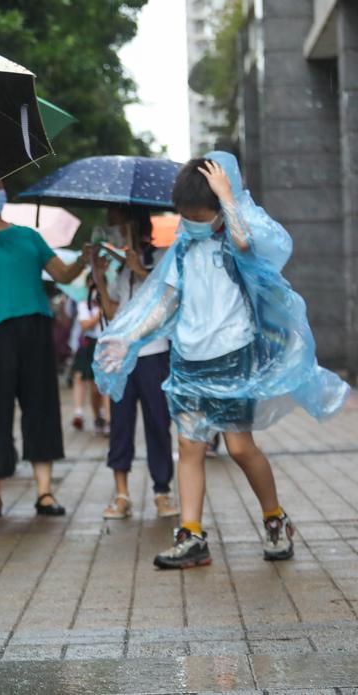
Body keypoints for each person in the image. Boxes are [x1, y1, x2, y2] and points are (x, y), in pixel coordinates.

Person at [96, 152, 350, 569]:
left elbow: (250, 241)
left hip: (233, 360)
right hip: (189, 363)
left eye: (199, 215)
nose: (191, 223)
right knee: (189, 446)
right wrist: (130, 339)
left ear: (218, 209)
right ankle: (192, 535)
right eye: (186, 215)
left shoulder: (236, 242)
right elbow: (163, 302)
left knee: (239, 447)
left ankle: (274, 519)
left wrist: (229, 198)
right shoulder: (180, 251)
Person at [0, 181, 88, 519]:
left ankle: (45, 491)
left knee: (41, 406)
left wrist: (86, 258)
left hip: (36, 326)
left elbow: (63, 273)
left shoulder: (29, 236)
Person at [91, 207, 177, 520]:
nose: (112, 230)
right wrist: (100, 277)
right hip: (122, 358)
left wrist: (139, 268)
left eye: (116, 223)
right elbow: (113, 311)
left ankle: (162, 491)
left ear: (132, 226)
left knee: (158, 422)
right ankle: (122, 493)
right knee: (121, 424)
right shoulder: (121, 270)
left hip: (154, 354)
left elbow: (169, 299)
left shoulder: (162, 258)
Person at [69, 275, 108, 436]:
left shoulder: (111, 298)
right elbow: (85, 324)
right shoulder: (84, 303)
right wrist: (100, 313)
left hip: (107, 343)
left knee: (106, 385)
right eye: (92, 283)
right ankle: (97, 415)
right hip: (91, 344)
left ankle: (108, 419)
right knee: (93, 386)